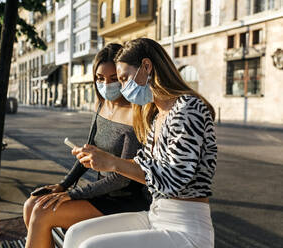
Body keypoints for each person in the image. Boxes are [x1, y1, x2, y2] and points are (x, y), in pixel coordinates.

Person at [66, 38, 217, 248]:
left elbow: (174, 180)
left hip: (186, 226)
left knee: (90, 246)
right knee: (76, 234)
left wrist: (112, 162)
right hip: (156, 215)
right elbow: (142, 164)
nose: (123, 88)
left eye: (125, 78)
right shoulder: (157, 116)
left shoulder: (188, 108)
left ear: (146, 66)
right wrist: (99, 158)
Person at [23, 43, 150, 248]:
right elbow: (87, 151)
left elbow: (122, 179)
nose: (106, 84)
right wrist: (63, 185)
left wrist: (72, 194)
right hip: (100, 193)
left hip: (124, 200)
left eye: (113, 78)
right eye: (100, 78)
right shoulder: (101, 105)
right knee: (31, 204)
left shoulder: (134, 113)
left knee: (41, 212)